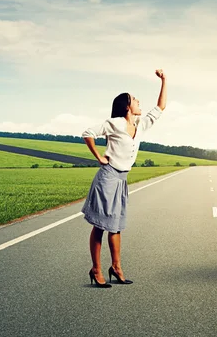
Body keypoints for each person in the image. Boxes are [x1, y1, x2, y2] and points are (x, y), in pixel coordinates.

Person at [81, 69, 167, 287]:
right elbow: (87, 133)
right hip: (108, 178)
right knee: (100, 225)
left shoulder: (140, 126)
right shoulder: (115, 123)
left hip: (121, 180)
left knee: (116, 226)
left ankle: (116, 267)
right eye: (135, 100)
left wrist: (164, 81)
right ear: (127, 106)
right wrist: (99, 156)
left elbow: (160, 108)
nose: (139, 102)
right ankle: (96, 269)